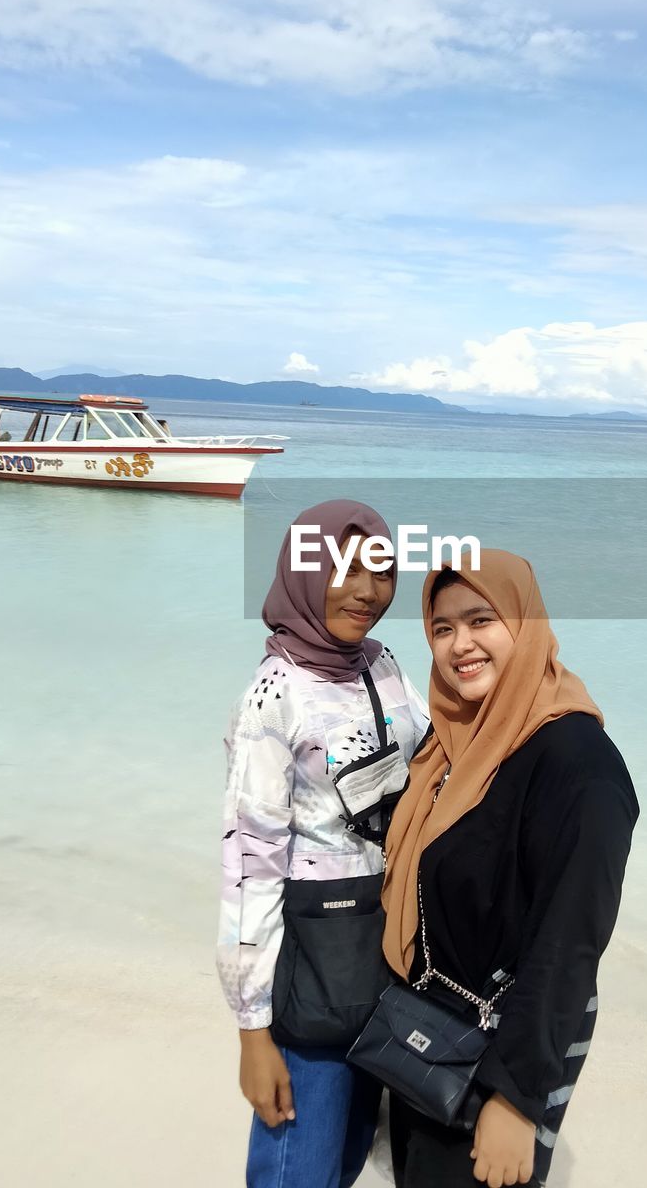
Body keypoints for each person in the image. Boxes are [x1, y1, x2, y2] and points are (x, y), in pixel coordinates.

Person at [382, 551, 638, 1187]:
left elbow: (569, 944)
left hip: (494, 1064)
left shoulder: (578, 765)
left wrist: (516, 1099)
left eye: (481, 620)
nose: (460, 645)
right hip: (428, 1046)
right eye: (443, 629)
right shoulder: (450, 744)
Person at [217, 500, 430, 1188]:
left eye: (383, 571)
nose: (369, 592)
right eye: (345, 570)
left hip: (386, 958)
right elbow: (249, 869)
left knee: (346, 1158)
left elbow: (432, 759)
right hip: (315, 970)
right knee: (297, 1172)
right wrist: (253, 1032)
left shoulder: (381, 663)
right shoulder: (273, 696)